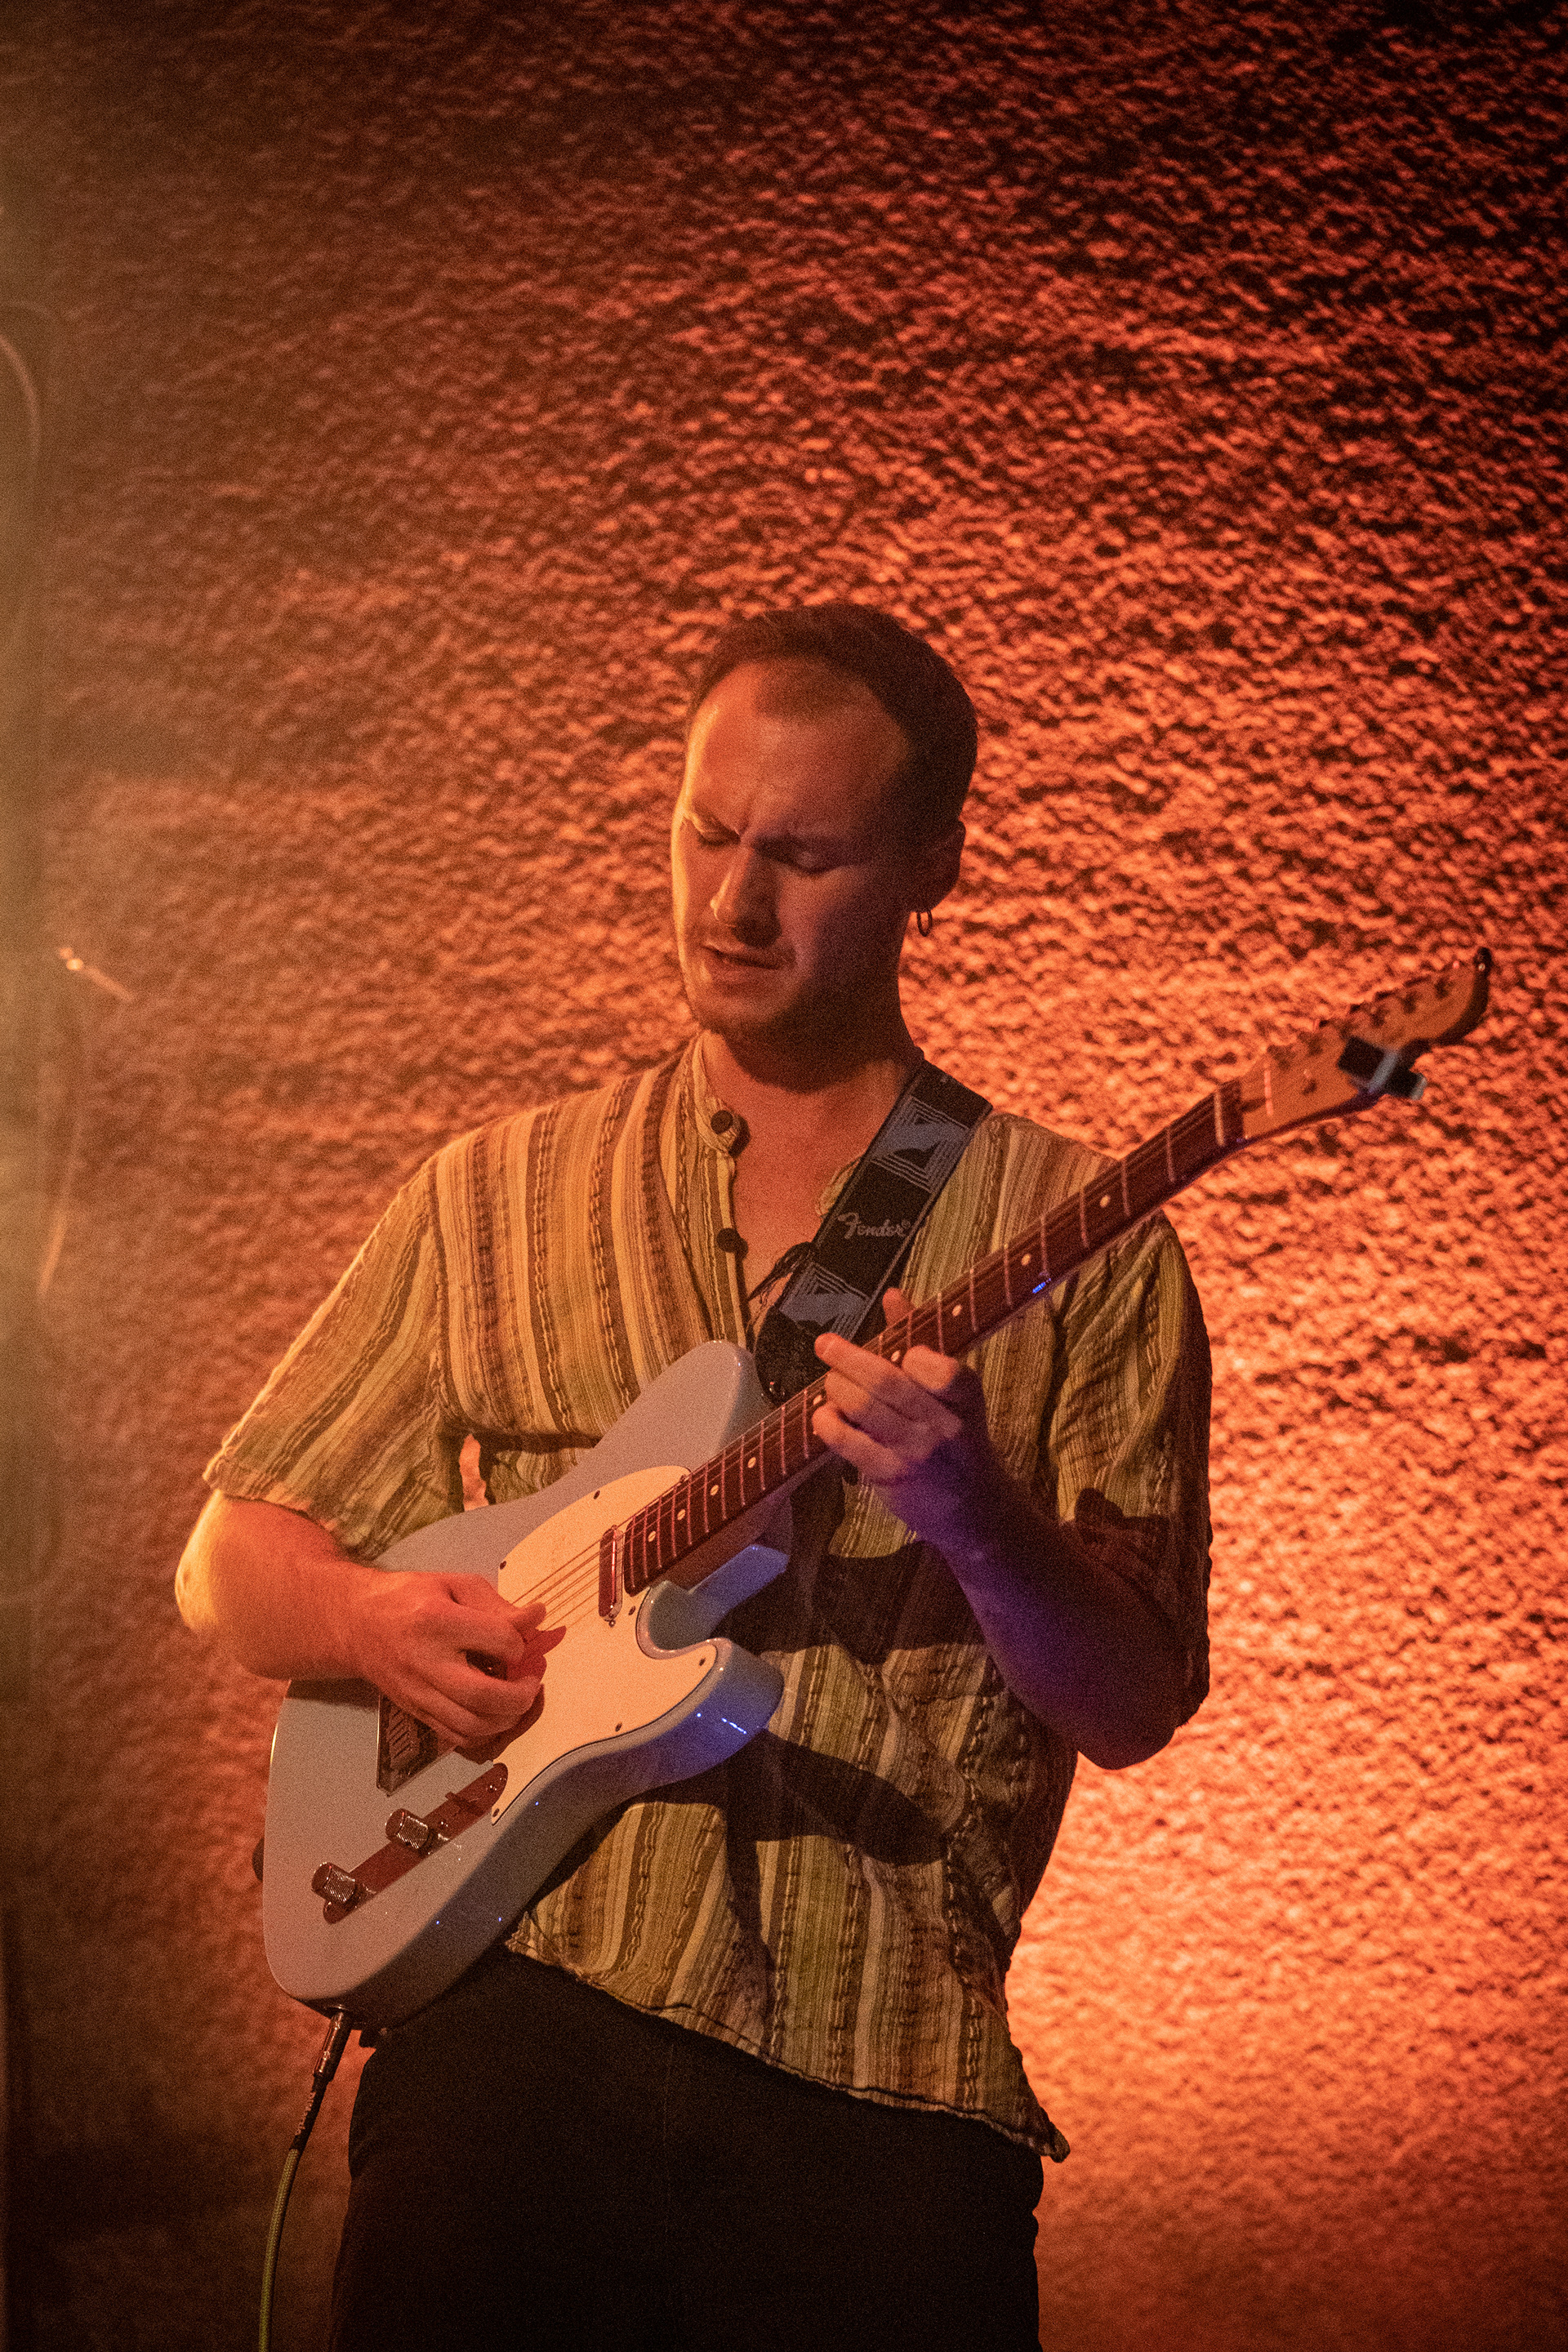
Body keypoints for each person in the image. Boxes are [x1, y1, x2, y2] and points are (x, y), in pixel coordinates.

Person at [176, 603, 1213, 2352]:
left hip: (881, 2073)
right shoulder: (495, 1192)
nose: (732, 902)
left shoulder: (1081, 1238)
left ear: (933, 867)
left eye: (802, 856)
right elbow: (228, 1556)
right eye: (706, 833)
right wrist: (364, 1619)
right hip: (512, 2026)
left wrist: (978, 1521)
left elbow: (1130, 1703)